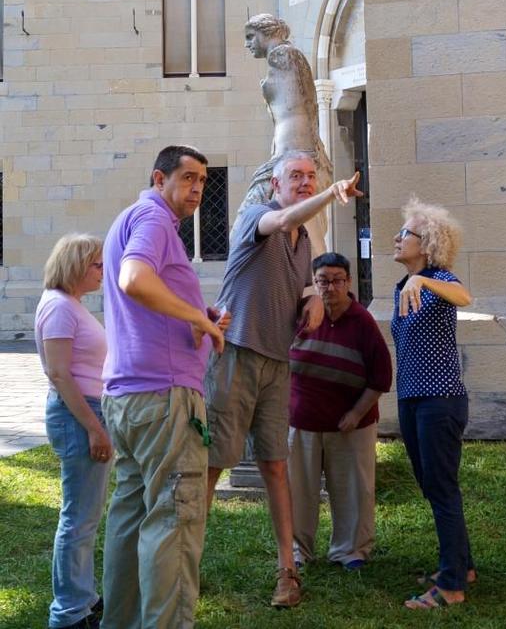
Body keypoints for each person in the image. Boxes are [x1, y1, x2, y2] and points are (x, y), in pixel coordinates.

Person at [204, 151, 363, 609]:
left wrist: (313, 297)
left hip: (278, 365)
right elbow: (286, 219)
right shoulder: (260, 215)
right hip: (234, 353)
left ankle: (287, 571)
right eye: (296, 176)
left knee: (276, 466)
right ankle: (182, 566)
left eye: (312, 177)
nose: (305, 182)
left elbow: (306, 283)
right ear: (275, 185)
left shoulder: (304, 242)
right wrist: (333, 194)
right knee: (214, 465)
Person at [101, 146, 230, 629]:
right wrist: (198, 316)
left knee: (131, 521)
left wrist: (201, 319)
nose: (198, 188)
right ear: (160, 178)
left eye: (203, 180)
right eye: (188, 178)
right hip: (164, 400)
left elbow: (147, 298)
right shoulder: (154, 218)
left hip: (130, 400)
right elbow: (134, 279)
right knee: (174, 522)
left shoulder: (132, 219)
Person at [390, 197, 475, 610]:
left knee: (442, 489)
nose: (396, 237)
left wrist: (424, 282)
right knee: (432, 486)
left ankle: (452, 585)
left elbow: (465, 296)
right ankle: (462, 564)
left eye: (405, 233)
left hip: (440, 401)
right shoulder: (400, 287)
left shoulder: (440, 280)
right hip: (412, 399)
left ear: (426, 244)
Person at [288, 252, 392, 570]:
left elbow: (381, 377)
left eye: (337, 280)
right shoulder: (302, 317)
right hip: (303, 420)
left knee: (353, 489)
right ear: (313, 284)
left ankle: (351, 551)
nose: (330, 287)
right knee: (299, 490)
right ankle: (298, 550)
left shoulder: (362, 322)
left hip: (350, 423)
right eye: (322, 280)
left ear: (348, 282)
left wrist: (357, 413)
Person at [34, 234, 110, 629]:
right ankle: (68, 615)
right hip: (78, 415)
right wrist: (95, 429)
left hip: (85, 413)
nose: (102, 270)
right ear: (76, 265)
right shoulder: (61, 308)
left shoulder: (71, 305)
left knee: (85, 516)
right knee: (79, 518)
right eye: (97, 264)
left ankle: (83, 598)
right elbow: (59, 373)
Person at [236, 13, 332, 254]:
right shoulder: (286, 56)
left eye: (251, 36)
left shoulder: (283, 55)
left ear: (267, 32)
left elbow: (297, 114)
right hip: (291, 154)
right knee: (301, 230)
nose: (247, 44)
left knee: (244, 229)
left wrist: (291, 161)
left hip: (293, 154)